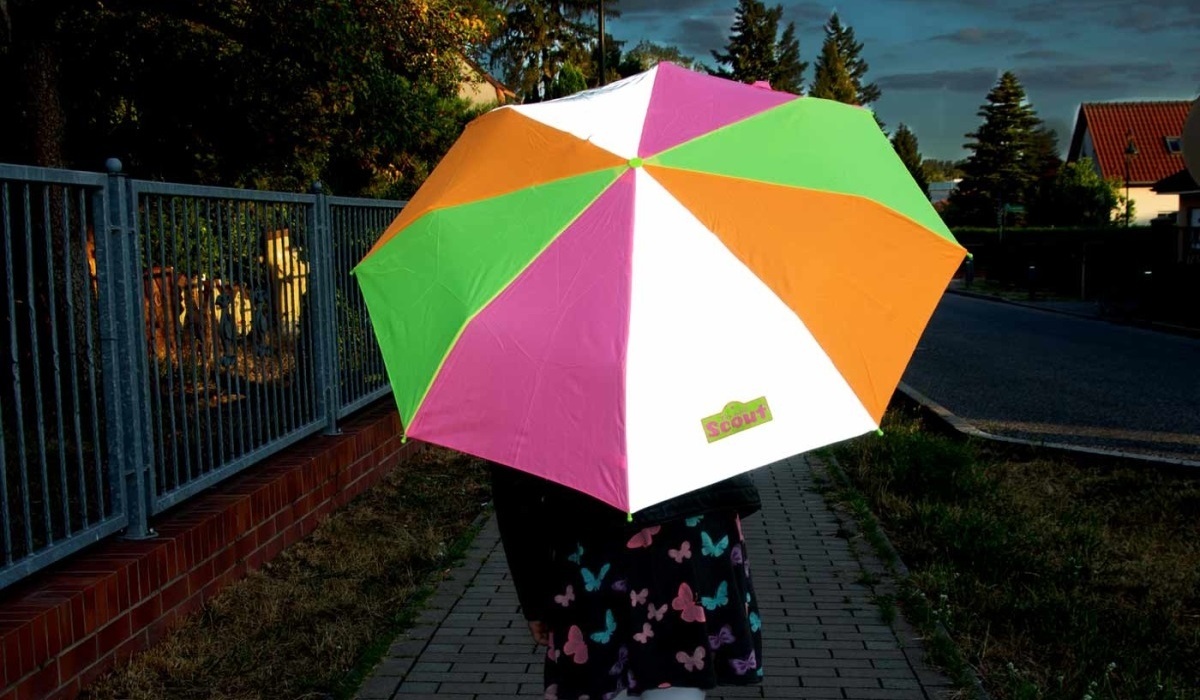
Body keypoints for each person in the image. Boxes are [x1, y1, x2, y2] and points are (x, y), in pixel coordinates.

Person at [491, 464, 765, 700]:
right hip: (687, 535)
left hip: (593, 544)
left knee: (599, 676)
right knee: (681, 671)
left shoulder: (544, 402)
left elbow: (516, 492)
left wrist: (534, 598)